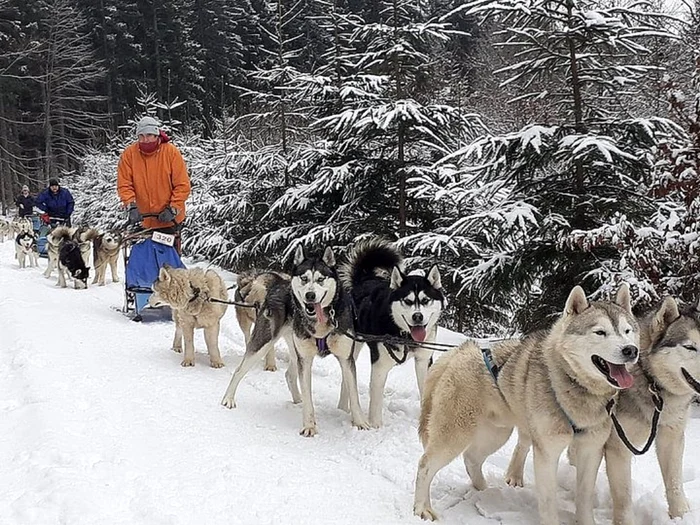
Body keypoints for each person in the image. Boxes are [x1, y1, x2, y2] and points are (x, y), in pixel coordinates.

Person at [117, 116, 191, 233]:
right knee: (141, 251)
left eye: (149, 135)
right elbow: (124, 184)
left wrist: (173, 208)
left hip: (170, 220)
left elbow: (182, 185)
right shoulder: (129, 155)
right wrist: (131, 205)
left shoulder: (171, 153)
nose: (145, 140)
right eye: (141, 136)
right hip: (143, 220)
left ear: (157, 135)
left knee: (168, 251)